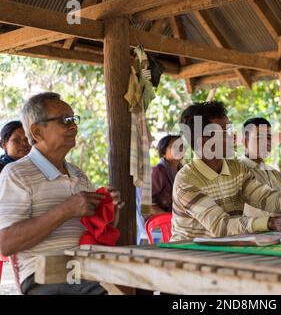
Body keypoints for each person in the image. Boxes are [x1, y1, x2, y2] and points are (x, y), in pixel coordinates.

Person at [0, 92, 125, 295]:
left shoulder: (78, 174)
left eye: (73, 119)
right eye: (64, 121)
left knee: (150, 283)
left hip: (87, 267)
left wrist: (110, 212)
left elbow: (94, 230)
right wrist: (66, 210)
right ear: (37, 132)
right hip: (45, 273)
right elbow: (6, 244)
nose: (73, 126)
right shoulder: (16, 174)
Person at [171, 101, 281, 242]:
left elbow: (263, 197)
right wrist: (269, 222)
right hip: (187, 253)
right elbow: (221, 226)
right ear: (204, 142)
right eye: (225, 132)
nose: (233, 136)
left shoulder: (236, 168)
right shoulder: (186, 181)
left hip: (222, 250)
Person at [136, 134, 184, 243]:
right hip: (159, 220)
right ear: (163, 152)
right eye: (174, 146)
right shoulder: (157, 172)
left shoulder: (183, 171)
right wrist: (172, 217)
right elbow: (146, 207)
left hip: (176, 219)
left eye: (181, 146)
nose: (180, 149)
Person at [240, 117, 281, 218]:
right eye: (259, 137)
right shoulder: (238, 171)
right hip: (255, 231)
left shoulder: (275, 173)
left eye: (269, 137)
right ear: (245, 141)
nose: (266, 142)